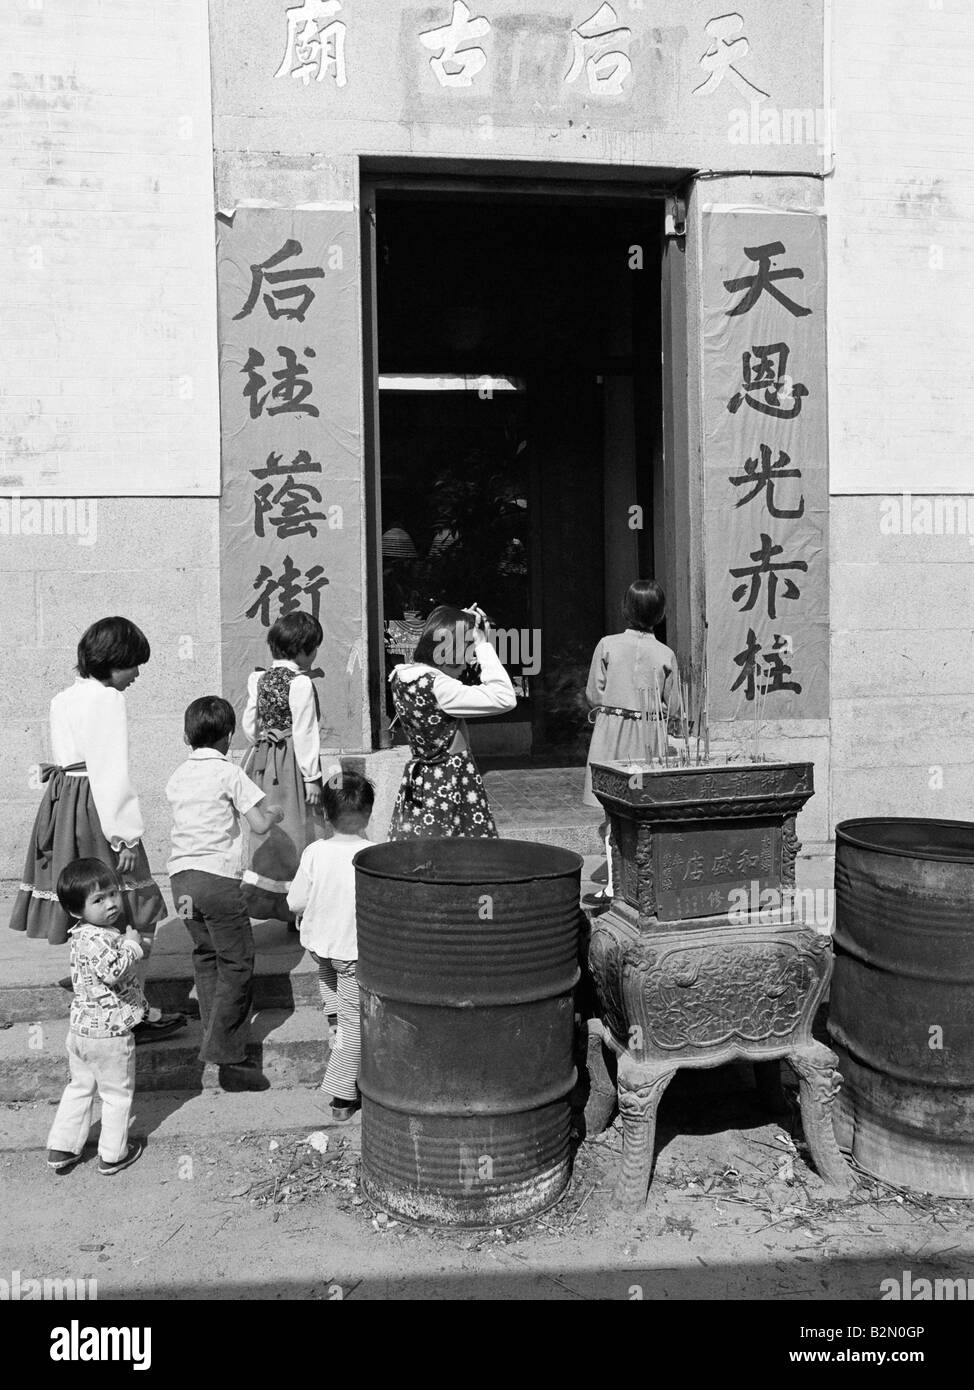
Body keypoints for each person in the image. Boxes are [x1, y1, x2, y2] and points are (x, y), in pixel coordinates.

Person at [10, 617, 170, 955]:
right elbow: (110, 772)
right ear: (113, 660)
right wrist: (125, 837)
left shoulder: (62, 699)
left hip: (64, 806)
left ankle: (96, 980)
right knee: (134, 908)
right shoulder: (108, 700)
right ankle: (131, 997)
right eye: (133, 665)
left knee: (87, 904)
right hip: (97, 809)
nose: (137, 675)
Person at [167, 696, 285, 1093]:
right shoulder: (229, 772)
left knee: (206, 956)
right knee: (237, 963)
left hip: (181, 883)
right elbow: (259, 825)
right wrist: (276, 813)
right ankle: (228, 1057)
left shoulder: (178, 775)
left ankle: (211, 1034)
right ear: (229, 736)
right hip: (217, 880)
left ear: (186, 735)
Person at [46, 859, 151, 1176]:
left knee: (79, 1087)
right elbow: (114, 972)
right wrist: (132, 946)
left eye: (112, 894)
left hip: (80, 1032)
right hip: (110, 1034)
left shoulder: (80, 935)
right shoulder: (101, 939)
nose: (111, 904)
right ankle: (114, 1152)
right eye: (98, 899)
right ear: (77, 911)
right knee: (117, 1094)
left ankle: (62, 1146)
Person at [583, 581, 683, 897]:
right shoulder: (666, 653)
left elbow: (593, 693)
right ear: (661, 613)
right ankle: (639, 880)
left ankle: (613, 883)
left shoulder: (607, 645)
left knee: (611, 807)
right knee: (643, 808)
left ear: (626, 608)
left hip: (611, 729)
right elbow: (675, 706)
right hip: (649, 733)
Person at [286, 769, 374, 1122]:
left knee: (337, 1011)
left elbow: (294, 902)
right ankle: (342, 1095)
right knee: (355, 1023)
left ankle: (337, 1042)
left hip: (321, 949)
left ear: (324, 815)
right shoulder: (372, 855)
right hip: (354, 954)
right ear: (368, 814)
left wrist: (308, 910)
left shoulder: (314, 852)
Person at [387, 603, 516, 840]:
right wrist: (483, 643)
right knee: (457, 855)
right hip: (449, 784)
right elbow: (505, 697)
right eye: (468, 651)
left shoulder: (402, 677)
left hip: (422, 781)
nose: (469, 661)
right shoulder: (441, 688)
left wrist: (458, 623)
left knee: (423, 847)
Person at [241, 611, 326, 922]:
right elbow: (305, 732)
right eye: (314, 647)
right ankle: (300, 909)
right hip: (290, 763)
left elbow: (249, 726)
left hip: (263, 762)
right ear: (302, 650)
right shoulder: (301, 683)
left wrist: (262, 740)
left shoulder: (258, 679)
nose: (315, 653)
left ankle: (269, 901)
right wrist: (312, 778)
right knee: (299, 829)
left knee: (268, 831)